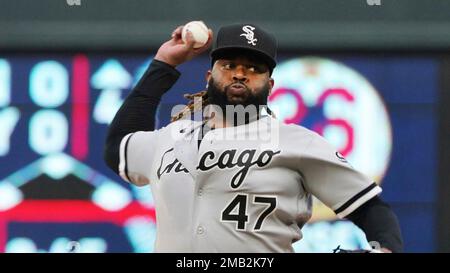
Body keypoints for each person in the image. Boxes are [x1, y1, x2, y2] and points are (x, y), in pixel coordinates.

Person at [104, 22, 403, 253]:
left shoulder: (296, 141)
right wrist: (163, 64)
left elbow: (370, 207)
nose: (240, 74)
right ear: (209, 77)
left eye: (253, 68)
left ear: (270, 84)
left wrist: (384, 247)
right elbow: (119, 148)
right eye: (229, 65)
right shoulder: (172, 138)